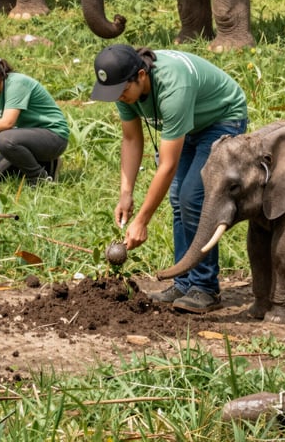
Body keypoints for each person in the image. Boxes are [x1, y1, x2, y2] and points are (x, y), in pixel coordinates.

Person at [91, 44, 248, 314]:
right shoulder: (125, 88)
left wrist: (141, 221)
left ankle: (205, 287)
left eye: (122, 91)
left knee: (192, 197)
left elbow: (167, 166)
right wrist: (126, 193)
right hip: (188, 124)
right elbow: (130, 139)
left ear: (141, 75)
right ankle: (184, 281)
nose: (120, 97)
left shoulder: (174, 88)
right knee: (178, 197)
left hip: (221, 119)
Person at [0, 53, 69, 185]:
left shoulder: (16, 84)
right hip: (29, 139)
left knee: (4, 139)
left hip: (53, 137)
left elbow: (8, 122)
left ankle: (39, 178)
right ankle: (44, 164)